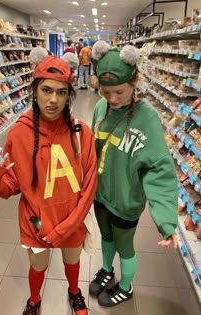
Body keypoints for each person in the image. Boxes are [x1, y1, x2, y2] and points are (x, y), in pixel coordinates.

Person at [0, 48, 97, 315]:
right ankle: (34, 299)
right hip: (37, 222)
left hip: (72, 220)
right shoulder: (19, 133)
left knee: (72, 260)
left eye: (61, 92)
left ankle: (74, 292)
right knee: (38, 266)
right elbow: (12, 185)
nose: (53, 99)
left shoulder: (81, 133)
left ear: (69, 94)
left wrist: (67, 226)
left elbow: (89, 186)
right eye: (46, 90)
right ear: (34, 91)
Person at [89, 41, 178, 307]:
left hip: (127, 201)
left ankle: (125, 287)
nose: (113, 99)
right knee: (105, 237)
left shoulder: (147, 117)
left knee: (124, 245)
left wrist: (166, 220)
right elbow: (90, 152)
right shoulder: (99, 109)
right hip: (101, 194)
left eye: (119, 92)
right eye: (106, 92)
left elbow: (159, 169)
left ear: (135, 81)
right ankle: (107, 270)